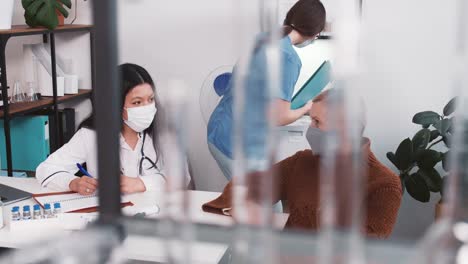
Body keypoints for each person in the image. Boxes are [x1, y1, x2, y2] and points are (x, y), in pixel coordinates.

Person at [203, 90, 403, 238]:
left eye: (316, 122)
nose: (311, 128)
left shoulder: (384, 185)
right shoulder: (302, 162)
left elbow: (365, 248)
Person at [207, 0, 327, 180]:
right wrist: (307, 107)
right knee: (268, 205)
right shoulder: (288, 58)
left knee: (246, 198)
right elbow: (280, 118)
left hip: (219, 128)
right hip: (235, 143)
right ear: (314, 32)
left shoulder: (262, 38)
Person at [36, 63, 166, 195]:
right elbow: (45, 169)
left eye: (150, 99)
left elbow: (182, 176)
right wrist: (73, 183)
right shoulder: (90, 136)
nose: (147, 107)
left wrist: (141, 183)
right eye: (137, 102)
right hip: (110, 212)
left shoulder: (164, 133)